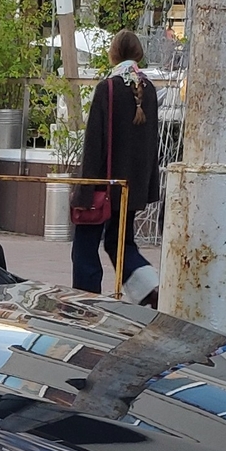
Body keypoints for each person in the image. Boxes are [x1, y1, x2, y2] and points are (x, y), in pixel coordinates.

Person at [71, 30, 162, 302]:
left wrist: (84, 191)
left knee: (84, 249)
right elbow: (151, 144)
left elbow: (93, 145)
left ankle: (87, 303)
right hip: (131, 188)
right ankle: (149, 290)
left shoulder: (106, 89)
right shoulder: (149, 90)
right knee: (120, 243)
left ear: (112, 54)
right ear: (139, 54)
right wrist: (146, 188)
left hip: (101, 187)